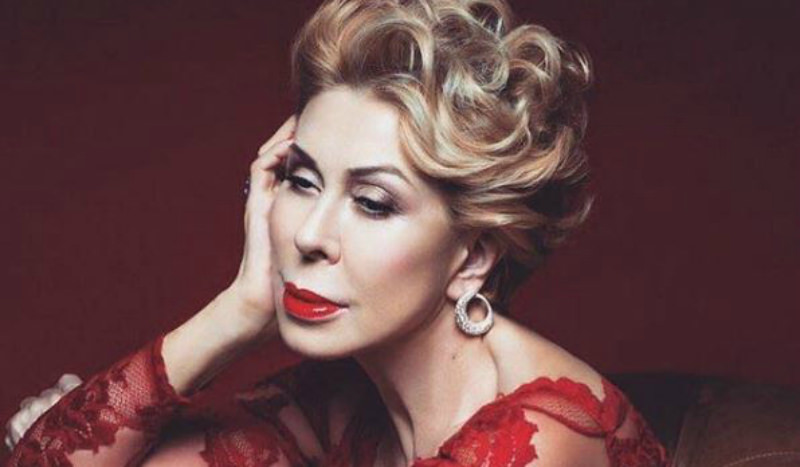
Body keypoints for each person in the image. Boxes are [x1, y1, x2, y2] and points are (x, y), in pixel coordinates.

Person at [5, 0, 668, 465]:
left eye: (373, 203)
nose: (311, 235)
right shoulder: (341, 406)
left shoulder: (537, 437)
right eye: (302, 180)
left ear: (472, 257)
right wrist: (240, 310)